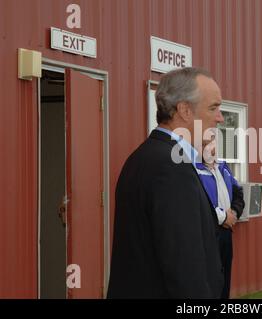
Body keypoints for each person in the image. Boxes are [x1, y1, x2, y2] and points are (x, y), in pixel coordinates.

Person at [107, 67, 225, 298]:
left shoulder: (144, 157)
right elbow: (184, 266)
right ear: (184, 110)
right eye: (213, 107)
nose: (220, 117)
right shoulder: (171, 168)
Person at [196, 137, 245, 299]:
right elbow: (199, 202)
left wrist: (235, 215)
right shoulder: (193, 169)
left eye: (211, 142)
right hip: (208, 233)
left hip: (226, 233)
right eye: (204, 144)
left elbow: (238, 194)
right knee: (209, 283)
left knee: (224, 282)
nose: (209, 147)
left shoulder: (223, 166)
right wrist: (223, 217)